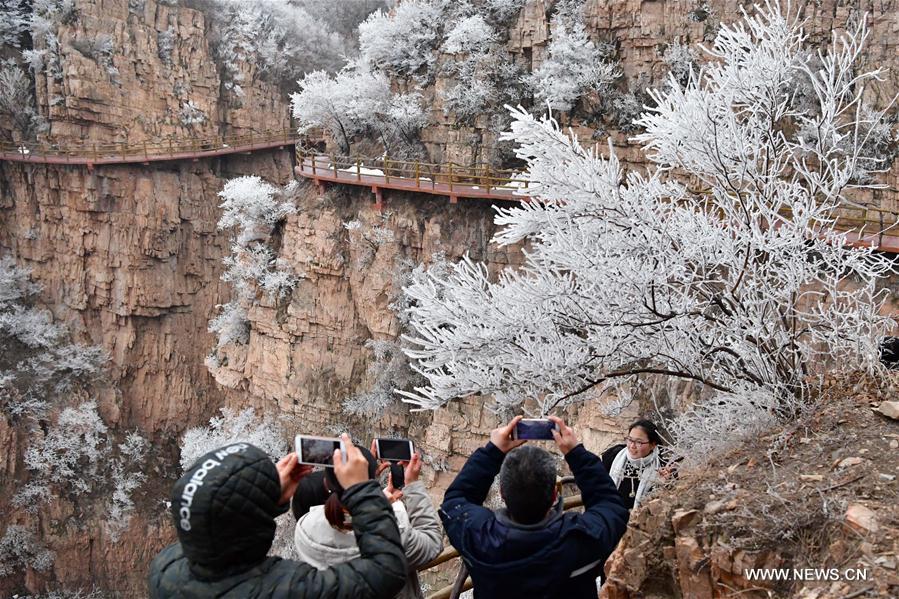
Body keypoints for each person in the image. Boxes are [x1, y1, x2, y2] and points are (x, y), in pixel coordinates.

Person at [148, 435, 407, 598]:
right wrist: (360, 490)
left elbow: (219, 527)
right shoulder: (281, 589)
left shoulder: (166, 570)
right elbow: (386, 571)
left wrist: (266, 501)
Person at [440, 415, 629, 598]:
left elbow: (456, 499)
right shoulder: (581, 541)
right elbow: (611, 505)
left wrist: (493, 451)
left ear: (503, 495)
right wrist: (576, 453)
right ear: (555, 494)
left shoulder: (478, 539)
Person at [295, 447, 443, 599]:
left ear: (326, 481)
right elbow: (432, 542)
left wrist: (368, 486)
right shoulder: (395, 531)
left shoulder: (305, 527)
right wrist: (412, 484)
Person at [601, 419, 671, 511]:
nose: (632, 446)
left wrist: (663, 483)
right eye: (630, 440)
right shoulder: (613, 456)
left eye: (639, 442)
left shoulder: (663, 467)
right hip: (610, 518)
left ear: (653, 444)